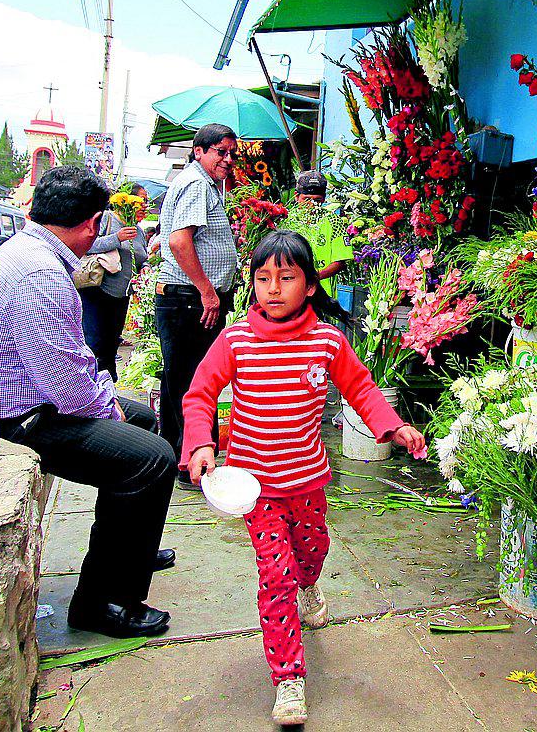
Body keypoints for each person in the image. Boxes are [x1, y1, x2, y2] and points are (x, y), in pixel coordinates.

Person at [181, 230, 428, 726]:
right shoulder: (235, 341)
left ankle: (311, 586)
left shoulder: (327, 342)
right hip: (256, 490)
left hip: (309, 482)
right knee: (275, 575)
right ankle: (288, 678)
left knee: (311, 551)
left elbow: (362, 387)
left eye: (286, 277)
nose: (273, 287)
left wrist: (393, 426)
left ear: (311, 285)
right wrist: (201, 443)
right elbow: (199, 394)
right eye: (262, 278)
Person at [0, 166, 177, 639]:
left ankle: (131, 546)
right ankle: (105, 602)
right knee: (152, 460)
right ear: (94, 223)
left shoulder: (23, 249)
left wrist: (107, 401)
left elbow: (67, 369)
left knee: (142, 416)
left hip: (16, 403)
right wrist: (105, 405)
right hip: (7, 420)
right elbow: (68, 386)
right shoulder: (40, 272)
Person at [156, 123, 239, 485]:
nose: (228, 159)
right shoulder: (195, 184)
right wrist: (207, 290)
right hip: (191, 302)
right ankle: (190, 462)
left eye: (231, 153)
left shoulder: (205, 185)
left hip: (191, 300)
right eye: (221, 152)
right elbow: (178, 241)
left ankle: (176, 456)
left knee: (182, 380)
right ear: (199, 150)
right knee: (193, 382)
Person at [79, 189, 149, 380]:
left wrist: (146, 266)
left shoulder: (139, 231)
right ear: (127, 202)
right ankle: (88, 385)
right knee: (94, 342)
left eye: (146, 201)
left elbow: (142, 256)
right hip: (98, 290)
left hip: (122, 295)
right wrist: (117, 238)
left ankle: (108, 386)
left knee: (111, 344)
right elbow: (88, 245)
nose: (145, 205)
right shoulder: (107, 219)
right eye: (141, 200)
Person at [288, 170, 352, 293]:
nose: (311, 205)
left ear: (324, 199)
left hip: (323, 294)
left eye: (317, 200)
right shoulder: (287, 221)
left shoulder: (334, 221)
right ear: (296, 196)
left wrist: (314, 278)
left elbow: (340, 261)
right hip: (290, 291)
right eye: (306, 199)